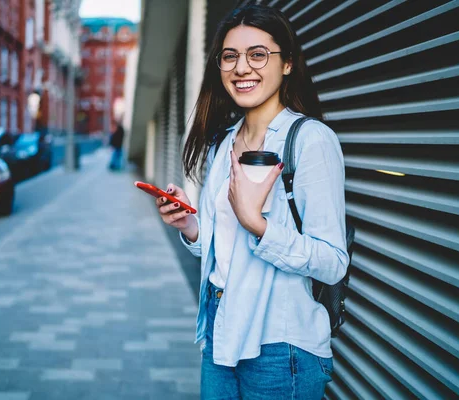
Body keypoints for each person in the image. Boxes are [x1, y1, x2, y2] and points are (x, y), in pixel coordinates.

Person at [154, 5, 349, 399]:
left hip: (280, 346)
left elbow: (332, 262)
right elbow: (224, 251)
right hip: (219, 330)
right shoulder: (222, 142)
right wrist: (189, 224)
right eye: (230, 56)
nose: (242, 67)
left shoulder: (309, 140)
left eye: (258, 54)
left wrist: (257, 224)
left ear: (288, 63)